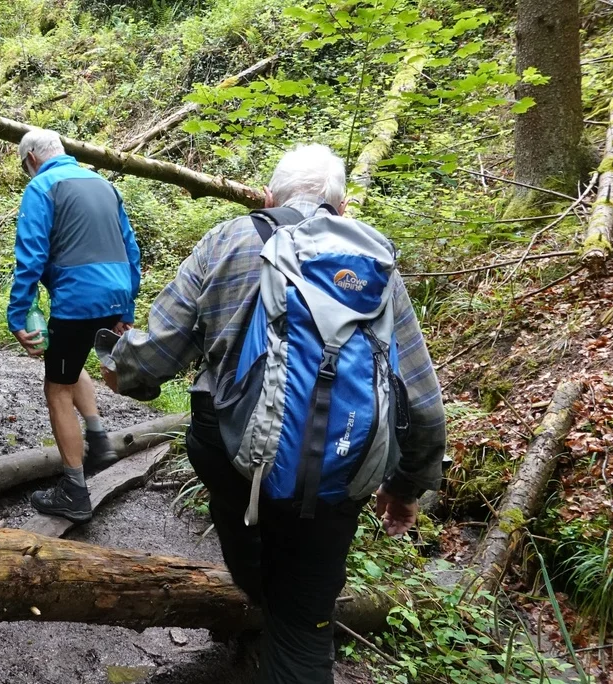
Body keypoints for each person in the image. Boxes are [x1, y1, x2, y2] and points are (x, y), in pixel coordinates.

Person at [99, 144, 446, 683]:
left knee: (244, 528)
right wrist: (406, 486)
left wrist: (122, 370)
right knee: (306, 621)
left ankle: (260, 587)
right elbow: (419, 396)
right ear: (343, 205)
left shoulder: (230, 238)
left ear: (268, 198)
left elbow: (156, 353)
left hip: (234, 457)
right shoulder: (374, 259)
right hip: (341, 463)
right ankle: (291, 622)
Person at [7, 128, 142, 523]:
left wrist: (18, 315)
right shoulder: (103, 184)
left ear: (32, 158)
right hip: (115, 293)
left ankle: (73, 490)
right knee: (70, 360)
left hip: (77, 298)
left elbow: (30, 255)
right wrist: (127, 304)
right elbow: (131, 249)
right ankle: (100, 442)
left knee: (56, 388)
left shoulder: (42, 187)